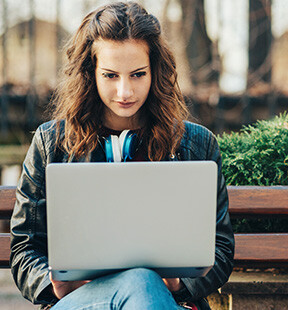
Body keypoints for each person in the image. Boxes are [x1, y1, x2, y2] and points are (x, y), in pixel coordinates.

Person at [9, 2, 234, 309]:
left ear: (156, 71)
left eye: (138, 74)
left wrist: (179, 283)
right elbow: (24, 249)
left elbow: (220, 249)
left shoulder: (195, 145)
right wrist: (54, 285)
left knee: (143, 283)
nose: (125, 92)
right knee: (139, 281)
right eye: (111, 76)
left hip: (166, 299)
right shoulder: (51, 143)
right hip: (81, 302)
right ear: (91, 74)